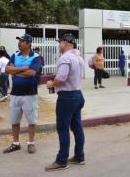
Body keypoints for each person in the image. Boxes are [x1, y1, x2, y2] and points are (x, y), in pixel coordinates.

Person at [45, 34, 86, 171]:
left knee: (63, 128)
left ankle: (62, 160)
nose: (59, 45)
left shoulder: (65, 58)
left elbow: (61, 78)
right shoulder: (78, 57)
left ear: (66, 43)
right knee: (77, 127)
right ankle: (79, 156)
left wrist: (52, 83)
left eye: (60, 42)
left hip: (67, 97)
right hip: (78, 95)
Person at [3, 34, 42, 154]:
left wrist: (15, 72)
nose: (19, 43)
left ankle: (31, 143)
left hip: (30, 93)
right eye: (19, 41)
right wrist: (24, 68)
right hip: (15, 93)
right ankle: (15, 143)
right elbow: (7, 70)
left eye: (22, 41)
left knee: (31, 120)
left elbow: (32, 73)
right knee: (14, 120)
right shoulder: (15, 55)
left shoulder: (36, 57)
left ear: (29, 43)